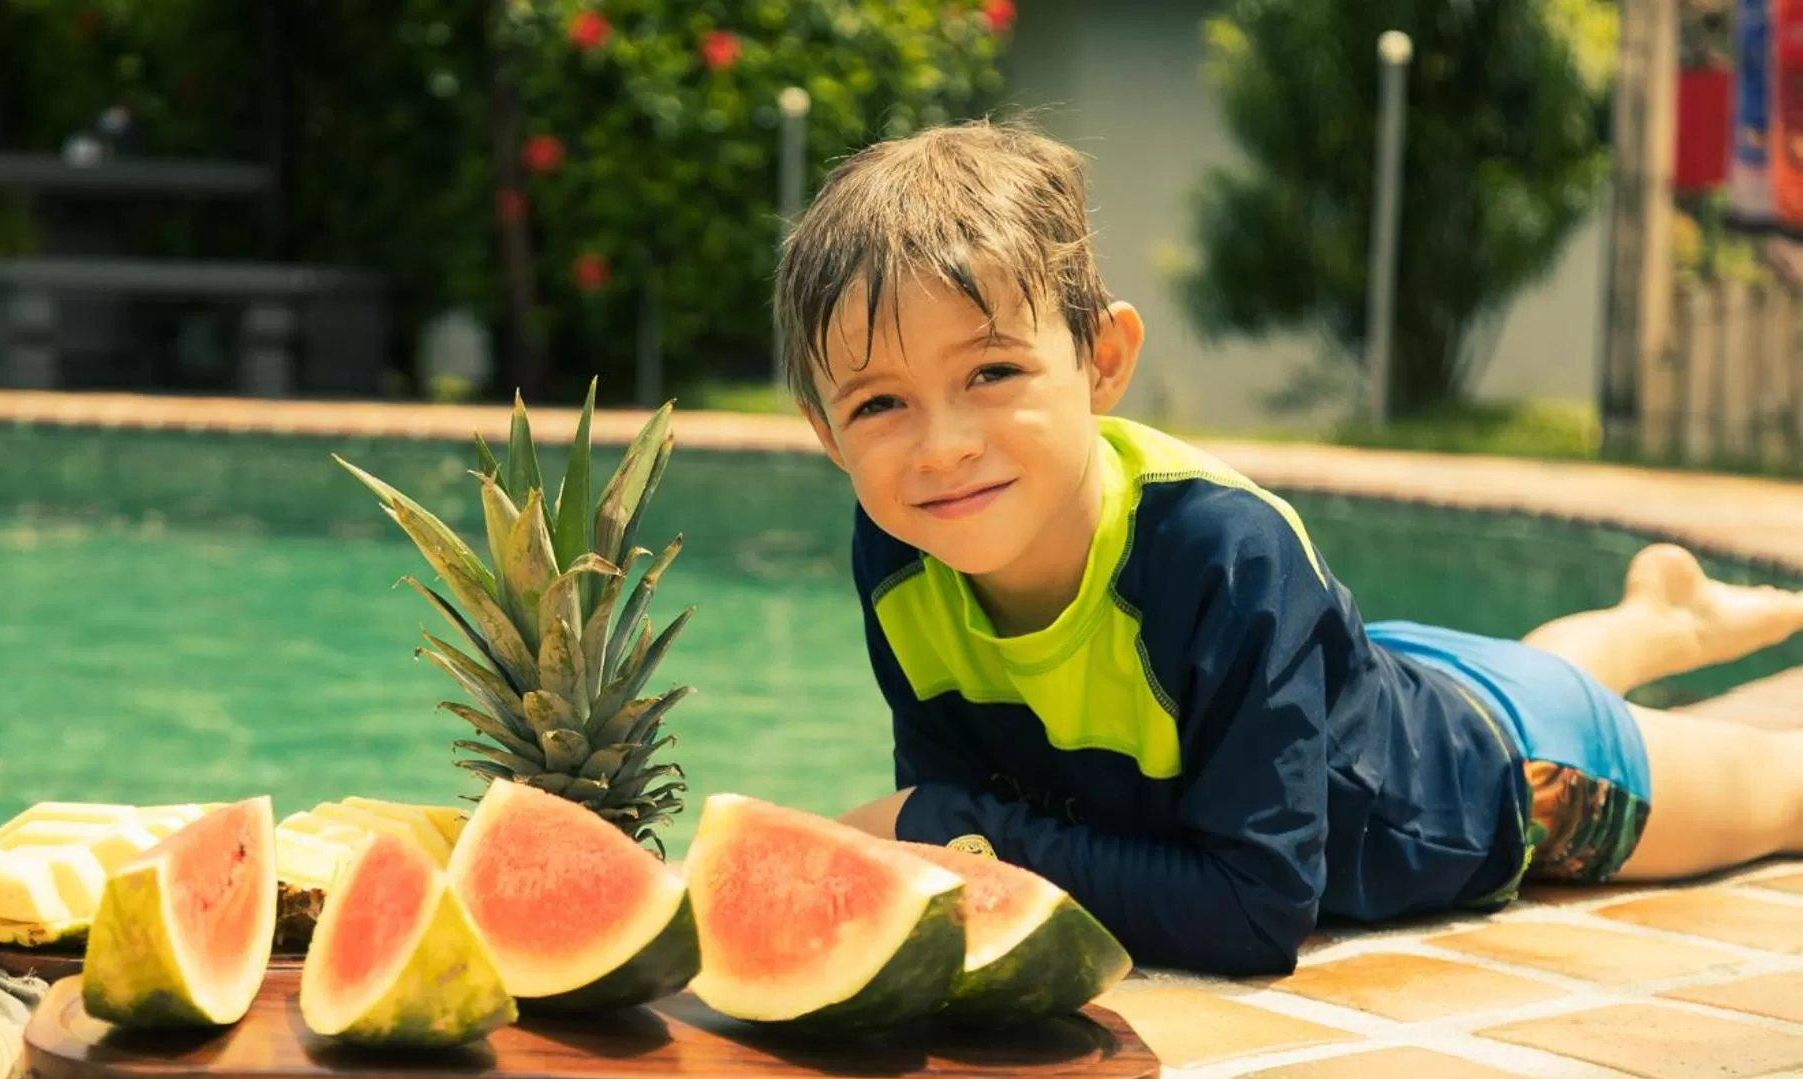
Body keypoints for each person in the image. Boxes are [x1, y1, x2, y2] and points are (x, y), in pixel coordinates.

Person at [771, 119, 1803, 976]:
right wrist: (950, 831)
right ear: (828, 437)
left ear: (1102, 360)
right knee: (1474, 680)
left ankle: (1635, 643)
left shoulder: (1220, 553)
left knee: (1782, 793)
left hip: (1505, 771)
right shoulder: (901, 545)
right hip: (1357, 686)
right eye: (878, 402)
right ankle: (1654, 621)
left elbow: (1254, 913)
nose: (942, 446)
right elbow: (972, 836)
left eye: (991, 373)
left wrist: (948, 826)